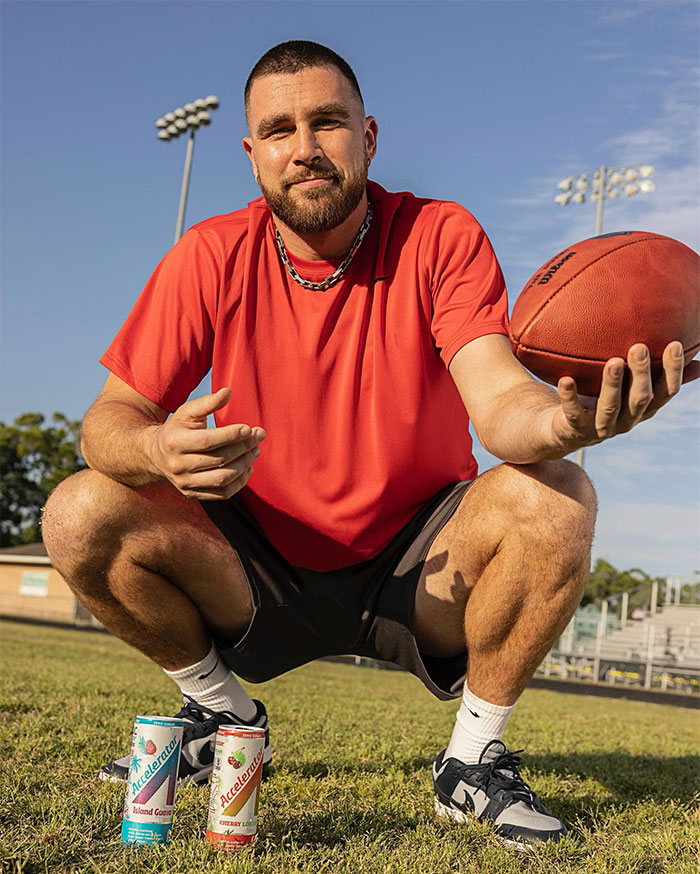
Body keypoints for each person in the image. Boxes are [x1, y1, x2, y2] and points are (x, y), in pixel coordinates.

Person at [41, 40, 696, 848]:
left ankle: (469, 761)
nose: (306, 147)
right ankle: (220, 712)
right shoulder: (210, 254)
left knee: (557, 491)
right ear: (252, 157)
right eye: (280, 130)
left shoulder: (438, 235)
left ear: (369, 137)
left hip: (416, 565)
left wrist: (566, 422)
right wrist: (157, 452)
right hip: (257, 567)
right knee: (79, 510)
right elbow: (107, 421)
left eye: (328, 122)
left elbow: (499, 402)